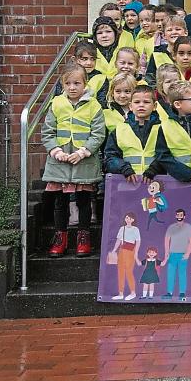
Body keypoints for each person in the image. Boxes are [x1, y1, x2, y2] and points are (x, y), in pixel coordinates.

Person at [41, 64, 106, 258]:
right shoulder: (56, 103)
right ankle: (60, 237)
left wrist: (83, 152)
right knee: (60, 202)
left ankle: (83, 238)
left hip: (83, 161)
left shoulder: (94, 105)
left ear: (85, 84)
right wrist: (56, 150)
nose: (72, 87)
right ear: (62, 84)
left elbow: (98, 133)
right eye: (67, 83)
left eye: (77, 83)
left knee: (84, 201)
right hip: (60, 161)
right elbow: (47, 131)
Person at [103, 84, 162, 180]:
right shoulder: (119, 130)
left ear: (154, 106)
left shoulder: (162, 129)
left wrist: (154, 169)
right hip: (126, 182)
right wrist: (124, 169)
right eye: (137, 102)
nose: (141, 105)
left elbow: (168, 155)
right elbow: (110, 157)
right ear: (130, 106)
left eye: (146, 102)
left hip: (157, 182)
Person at [162, 209, 191, 301]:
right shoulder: (171, 227)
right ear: (175, 216)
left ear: (184, 216)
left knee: (182, 273)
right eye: (177, 215)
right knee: (170, 273)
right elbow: (167, 240)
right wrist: (166, 252)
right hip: (172, 254)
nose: (179, 217)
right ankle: (169, 293)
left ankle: (182, 293)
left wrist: (188, 253)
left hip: (183, 255)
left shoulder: (189, 227)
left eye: (181, 215)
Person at [110, 213, 141, 301]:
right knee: (120, 272)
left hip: (130, 250)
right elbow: (118, 240)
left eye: (130, 218)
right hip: (122, 250)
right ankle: (120, 293)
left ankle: (133, 292)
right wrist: (114, 250)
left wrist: (136, 253)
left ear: (133, 220)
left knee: (129, 271)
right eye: (126, 218)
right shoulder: (122, 228)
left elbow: (138, 242)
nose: (128, 219)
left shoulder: (135, 229)